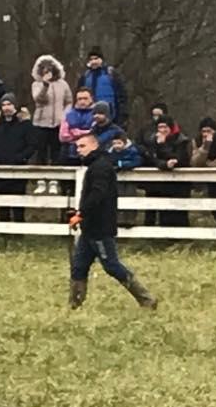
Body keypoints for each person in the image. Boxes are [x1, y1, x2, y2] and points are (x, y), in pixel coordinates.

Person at [67, 130, 157, 311]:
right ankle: (74, 305)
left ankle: (146, 299)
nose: (79, 150)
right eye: (77, 146)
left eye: (82, 146)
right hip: (89, 228)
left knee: (112, 266)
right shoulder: (96, 166)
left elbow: (98, 194)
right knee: (78, 266)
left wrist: (81, 213)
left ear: (94, 146)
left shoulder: (101, 167)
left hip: (100, 227)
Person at [0, 94, 34, 220]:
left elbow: (32, 145)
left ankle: (18, 231)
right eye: (4, 105)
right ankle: (4, 231)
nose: (6, 107)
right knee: (2, 202)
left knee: (18, 202)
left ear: (15, 106)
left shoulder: (25, 124)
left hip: (19, 167)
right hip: (0, 168)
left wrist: (21, 158)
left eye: (9, 104)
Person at [29, 56, 71, 168]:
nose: (47, 72)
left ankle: (54, 180)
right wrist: (45, 85)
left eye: (49, 69)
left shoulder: (63, 84)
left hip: (58, 124)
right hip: (40, 124)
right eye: (44, 70)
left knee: (56, 152)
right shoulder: (36, 84)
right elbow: (39, 99)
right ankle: (40, 180)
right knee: (41, 152)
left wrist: (64, 115)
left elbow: (69, 101)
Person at [77, 48, 126, 117]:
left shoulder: (111, 74)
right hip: (89, 116)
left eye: (96, 58)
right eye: (91, 59)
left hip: (110, 116)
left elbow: (122, 96)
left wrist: (122, 115)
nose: (93, 61)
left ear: (101, 59)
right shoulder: (85, 76)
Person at [58, 87, 99, 161]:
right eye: (80, 99)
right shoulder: (68, 114)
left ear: (92, 99)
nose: (82, 101)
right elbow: (63, 136)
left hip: (91, 153)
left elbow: (94, 133)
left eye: (85, 98)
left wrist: (75, 132)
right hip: (69, 151)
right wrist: (85, 133)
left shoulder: (97, 114)